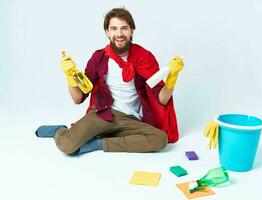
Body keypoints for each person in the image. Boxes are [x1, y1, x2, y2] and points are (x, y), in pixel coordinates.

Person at [35, 8, 183, 155]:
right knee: (67, 145)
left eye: (124, 28)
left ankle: (99, 143)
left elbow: (162, 100)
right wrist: (69, 76)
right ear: (107, 32)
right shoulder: (99, 58)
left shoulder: (144, 57)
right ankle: (59, 130)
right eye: (114, 28)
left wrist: (172, 78)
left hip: (131, 119)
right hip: (103, 114)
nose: (119, 34)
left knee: (160, 139)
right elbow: (78, 98)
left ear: (132, 30)